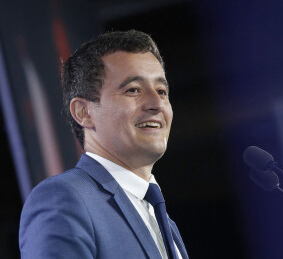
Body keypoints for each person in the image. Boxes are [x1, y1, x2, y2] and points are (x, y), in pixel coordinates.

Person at [19, 29, 189, 259]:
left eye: (161, 91)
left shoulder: (165, 224)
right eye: (133, 90)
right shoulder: (64, 199)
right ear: (84, 112)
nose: (156, 103)